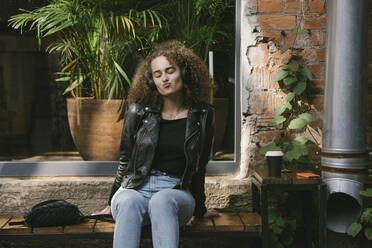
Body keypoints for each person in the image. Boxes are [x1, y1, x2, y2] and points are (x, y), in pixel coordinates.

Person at [93, 40, 219, 248]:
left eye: (170, 71)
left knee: (162, 201)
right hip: (135, 189)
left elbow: (200, 165)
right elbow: (125, 161)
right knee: (128, 202)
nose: (165, 79)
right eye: (157, 75)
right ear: (151, 81)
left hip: (175, 192)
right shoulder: (138, 113)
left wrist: (200, 208)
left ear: (184, 73)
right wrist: (110, 203)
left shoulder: (203, 115)